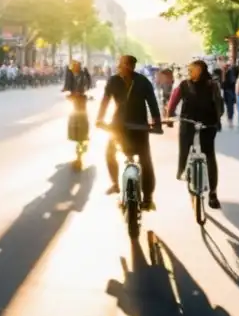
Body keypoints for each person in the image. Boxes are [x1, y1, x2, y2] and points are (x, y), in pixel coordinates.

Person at [96, 54, 162, 208]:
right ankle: (115, 184)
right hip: (117, 126)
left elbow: (152, 103)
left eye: (129, 65)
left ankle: (148, 197)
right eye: (123, 64)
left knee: (145, 161)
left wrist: (157, 123)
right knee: (109, 153)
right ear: (120, 65)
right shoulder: (113, 80)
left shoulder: (143, 81)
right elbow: (105, 101)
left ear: (132, 66)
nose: (125, 67)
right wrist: (99, 119)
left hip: (139, 126)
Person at [166, 59, 224, 209]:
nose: (189, 72)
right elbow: (173, 101)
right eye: (189, 70)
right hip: (188, 122)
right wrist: (169, 116)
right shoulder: (184, 85)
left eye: (192, 69)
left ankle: (213, 193)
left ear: (200, 69)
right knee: (185, 149)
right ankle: (183, 171)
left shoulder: (212, 85)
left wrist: (217, 119)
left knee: (209, 155)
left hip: (208, 124)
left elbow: (219, 104)